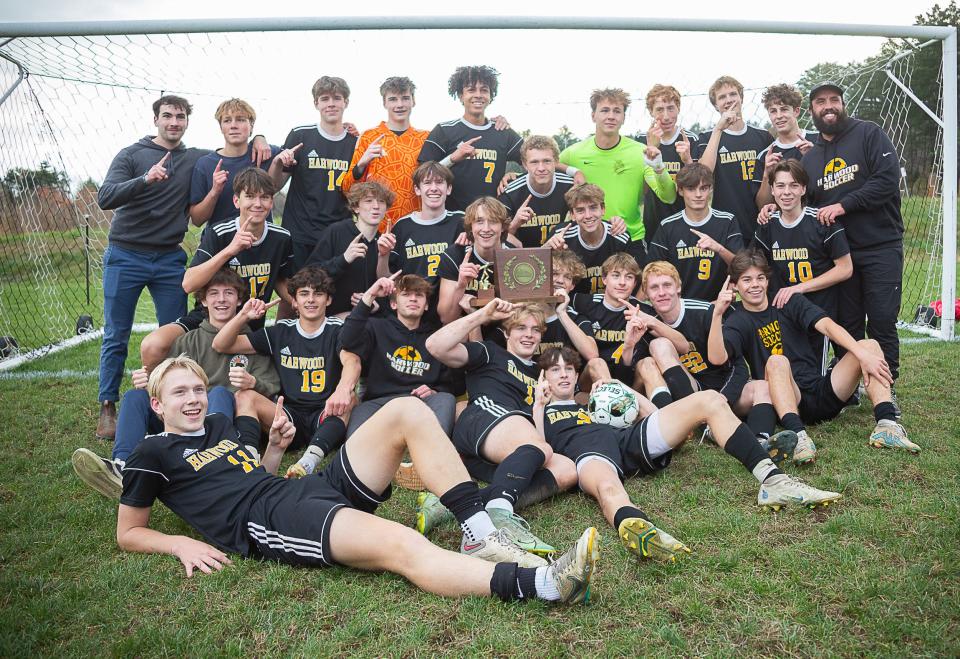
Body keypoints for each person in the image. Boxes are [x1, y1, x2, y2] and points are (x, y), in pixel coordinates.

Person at [79, 354, 598, 604]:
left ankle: (480, 530)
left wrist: (277, 449)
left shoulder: (216, 425)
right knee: (402, 542)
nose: (193, 399)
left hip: (294, 490)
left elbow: (246, 479)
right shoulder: (151, 452)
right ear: (156, 403)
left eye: (197, 388)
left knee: (403, 412)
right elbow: (129, 532)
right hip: (273, 520)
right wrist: (177, 546)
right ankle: (545, 585)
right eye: (179, 393)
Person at [537, 348, 841, 562]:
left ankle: (773, 481)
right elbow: (540, 448)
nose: (563, 375)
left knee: (709, 399)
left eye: (568, 369)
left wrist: (623, 390)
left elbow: (656, 414)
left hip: (628, 438)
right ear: (543, 377)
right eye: (554, 369)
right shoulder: (539, 411)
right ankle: (640, 529)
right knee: (608, 488)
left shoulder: (590, 400)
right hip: (590, 452)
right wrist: (539, 406)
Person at [71, 268, 280, 498]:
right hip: (180, 419)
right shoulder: (188, 341)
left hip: (219, 429)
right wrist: (148, 380)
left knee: (219, 394)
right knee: (135, 396)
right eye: (214, 293)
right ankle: (123, 466)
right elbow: (166, 380)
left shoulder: (251, 341)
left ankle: (211, 466)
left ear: (239, 300)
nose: (221, 299)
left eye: (229, 293)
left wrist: (252, 382)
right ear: (203, 300)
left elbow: (271, 387)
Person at [707, 250, 920, 465]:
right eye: (747, 280)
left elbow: (827, 325)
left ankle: (887, 425)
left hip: (821, 389)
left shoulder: (786, 301)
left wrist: (862, 355)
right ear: (734, 285)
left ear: (767, 280)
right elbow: (717, 358)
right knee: (776, 360)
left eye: (760, 278)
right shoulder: (737, 320)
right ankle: (798, 437)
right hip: (790, 399)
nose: (755, 285)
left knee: (869, 346)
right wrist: (717, 314)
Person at [95, 95, 210, 439]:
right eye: (168, 116)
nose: (174, 122)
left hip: (168, 257)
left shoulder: (194, 158)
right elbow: (105, 197)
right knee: (116, 332)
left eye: (180, 117)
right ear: (156, 119)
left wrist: (263, 141)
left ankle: (167, 406)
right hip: (126, 254)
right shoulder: (132, 155)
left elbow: (234, 151)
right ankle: (107, 407)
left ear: (187, 121)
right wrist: (146, 179)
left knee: (175, 334)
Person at [426, 299, 579, 556]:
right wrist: (482, 316)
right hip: (484, 418)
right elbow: (435, 346)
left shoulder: (540, 375)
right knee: (536, 446)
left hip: (514, 440)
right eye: (520, 328)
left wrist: (541, 406)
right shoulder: (490, 353)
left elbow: (541, 445)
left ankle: (445, 506)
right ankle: (500, 512)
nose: (528, 335)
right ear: (507, 332)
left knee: (566, 469)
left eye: (535, 330)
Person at [800, 82, 906, 397]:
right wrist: (770, 207)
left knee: (883, 320)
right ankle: (851, 385)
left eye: (835, 99)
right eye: (821, 101)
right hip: (839, 256)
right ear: (812, 111)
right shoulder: (811, 158)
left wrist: (844, 205)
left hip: (880, 246)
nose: (829, 105)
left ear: (843, 104)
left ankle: (886, 386)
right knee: (846, 324)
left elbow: (887, 180)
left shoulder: (868, 134)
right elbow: (804, 203)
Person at [139, 168, 295, 370]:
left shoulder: (281, 237)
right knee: (152, 345)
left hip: (249, 323)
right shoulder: (220, 233)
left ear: (271, 202)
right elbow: (188, 284)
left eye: (264, 197)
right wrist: (230, 250)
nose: (257, 204)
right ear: (236, 201)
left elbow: (282, 279)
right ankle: (155, 396)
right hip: (208, 317)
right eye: (250, 196)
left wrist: (298, 303)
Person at [640, 261, 795, 458]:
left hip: (726, 388)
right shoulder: (647, 322)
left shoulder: (704, 311)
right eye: (654, 287)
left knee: (763, 388)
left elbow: (739, 367)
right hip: (693, 392)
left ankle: (760, 442)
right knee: (659, 345)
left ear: (678, 287)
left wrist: (723, 398)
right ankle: (695, 423)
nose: (662, 292)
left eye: (667, 285)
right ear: (645, 293)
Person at [212, 267, 359, 475]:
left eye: (318, 294)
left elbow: (352, 361)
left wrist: (343, 389)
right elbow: (221, 344)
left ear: (328, 300)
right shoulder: (281, 331)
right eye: (304, 294)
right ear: (294, 301)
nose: (311, 300)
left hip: (326, 413)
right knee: (244, 396)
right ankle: (249, 458)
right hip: (288, 416)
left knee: (349, 398)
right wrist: (243, 316)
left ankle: (307, 462)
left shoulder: (338, 328)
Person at [754, 160, 852, 371]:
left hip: (818, 311)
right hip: (782, 311)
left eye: (793, 185)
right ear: (772, 189)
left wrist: (798, 288)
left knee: (814, 378)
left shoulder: (822, 221)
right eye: (780, 186)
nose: (786, 192)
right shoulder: (767, 224)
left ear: (803, 188)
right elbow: (758, 267)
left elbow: (845, 268)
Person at [336, 273, 455, 438]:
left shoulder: (435, 338)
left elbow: (450, 383)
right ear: (393, 303)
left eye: (419, 295)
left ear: (426, 305)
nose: (413, 299)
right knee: (356, 437)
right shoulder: (376, 327)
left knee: (446, 400)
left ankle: (432, 446)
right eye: (406, 294)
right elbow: (346, 340)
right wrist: (369, 296)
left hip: (420, 403)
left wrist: (435, 391)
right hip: (380, 402)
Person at [559, 87, 677, 241]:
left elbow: (669, 197)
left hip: (630, 238)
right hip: (588, 240)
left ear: (623, 118)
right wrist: (573, 171)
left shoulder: (640, 152)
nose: (611, 116)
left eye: (617, 111)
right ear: (593, 116)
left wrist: (658, 166)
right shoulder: (573, 153)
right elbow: (548, 165)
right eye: (605, 110)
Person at [269, 76, 358, 275]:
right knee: (293, 296)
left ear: (346, 102)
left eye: (337, 98)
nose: (331, 104)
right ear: (316, 103)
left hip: (337, 233)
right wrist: (277, 163)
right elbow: (273, 187)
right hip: (300, 232)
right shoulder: (301, 135)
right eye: (325, 99)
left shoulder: (356, 142)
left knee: (331, 297)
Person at [574, 253, 687, 393]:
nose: (622, 282)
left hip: (631, 382)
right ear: (604, 279)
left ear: (635, 283)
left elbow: (683, 346)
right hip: (593, 381)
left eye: (629, 277)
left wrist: (650, 320)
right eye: (616, 276)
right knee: (597, 363)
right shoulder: (583, 302)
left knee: (648, 363)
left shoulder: (644, 310)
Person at [417, 66, 523, 212]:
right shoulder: (444, 130)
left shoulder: (503, 131)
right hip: (453, 219)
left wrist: (516, 175)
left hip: (491, 220)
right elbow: (421, 175)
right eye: (471, 90)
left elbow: (535, 162)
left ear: (491, 96)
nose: (478, 95)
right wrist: (453, 158)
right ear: (460, 95)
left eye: (484, 90)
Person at [341, 76, 429, 231]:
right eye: (393, 99)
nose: (400, 105)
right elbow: (347, 188)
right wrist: (362, 164)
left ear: (413, 101)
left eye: (405, 98)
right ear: (384, 103)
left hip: (416, 227)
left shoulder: (426, 138)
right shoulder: (369, 137)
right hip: (377, 227)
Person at [647, 162, 743, 302]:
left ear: (710, 189)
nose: (698, 194)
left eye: (703, 188)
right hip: (679, 308)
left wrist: (719, 248)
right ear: (680, 190)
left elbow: (741, 268)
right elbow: (651, 271)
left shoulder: (727, 221)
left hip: (718, 306)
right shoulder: (668, 226)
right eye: (691, 189)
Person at [696, 76, 773, 239]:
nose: (728, 100)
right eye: (722, 97)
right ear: (716, 105)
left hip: (761, 219)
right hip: (725, 224)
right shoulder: (707, 137)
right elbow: (703, 173)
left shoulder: (763, 136)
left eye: (733, 94)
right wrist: (718, 129)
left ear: (741, 98)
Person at [305, 180, 394, 317]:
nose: (376, 206)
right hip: (332, 319)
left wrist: (376, 305)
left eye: (381, 201)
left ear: (386, 208)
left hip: (370, 323)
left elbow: (393, 289)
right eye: (368, 201)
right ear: (356, 207)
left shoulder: (386, 243)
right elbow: (309, 276)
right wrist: (344, 259)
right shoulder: (336, 232)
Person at [189, 98, 279, 227]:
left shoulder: (266, 153)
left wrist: (260, 137)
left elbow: (293, 156)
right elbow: (197, 220)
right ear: (221, 127)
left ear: (251, 125)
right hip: (220, 242)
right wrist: (214, 191)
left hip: (260, 241)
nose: (233, 125)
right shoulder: (205, 164)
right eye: (227, 120)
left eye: (241, 119)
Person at [546, 183, 647, 295]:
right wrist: (547, 248)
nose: (588, 215)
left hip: (610, 302)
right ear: (572, 215)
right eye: (580, 210)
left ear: (603, 209)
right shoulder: (561, 235)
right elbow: (539, 274)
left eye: (593, 208)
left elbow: (635, 278)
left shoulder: (619, 236)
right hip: (573, 302)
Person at [436, 197, 519, 327]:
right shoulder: (455, 256)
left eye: (493, 221)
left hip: (503, 329)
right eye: (479, 221)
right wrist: (461, 285)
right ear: (471, 227)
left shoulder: (514, 257)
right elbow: (446, 318)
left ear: (503, 227)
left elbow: (520, 315)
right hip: (466, 331)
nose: (486, 228)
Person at [635, 84, 696, 239]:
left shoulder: (690, 140)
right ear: (650, 112)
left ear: (678, 109)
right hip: (654, 222)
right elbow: (641, 189)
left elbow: (700, 184)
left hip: (687, 221)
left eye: (671, 108)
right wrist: (651, 148)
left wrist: (688, 160)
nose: (666, 116)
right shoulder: (641, 141)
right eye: (659, 110)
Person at [499, 135, 575, 247]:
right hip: (524, 259)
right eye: (534, 162)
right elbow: (497, 236)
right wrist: (514, 224)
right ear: (525, 164)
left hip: (560, 255)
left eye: (547, 161)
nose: (541, 168)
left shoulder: (569, 186)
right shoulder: (510, 192)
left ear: (556, 162)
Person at [752, 84, 816, 208]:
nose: (779, 116)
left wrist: (814, 159)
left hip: (821, 218)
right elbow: (762, 206)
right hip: (786, 224)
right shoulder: (766, 156)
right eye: (773, 111)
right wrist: (767, 174)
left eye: (784, 109)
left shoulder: (818, 140)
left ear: (796, 111)